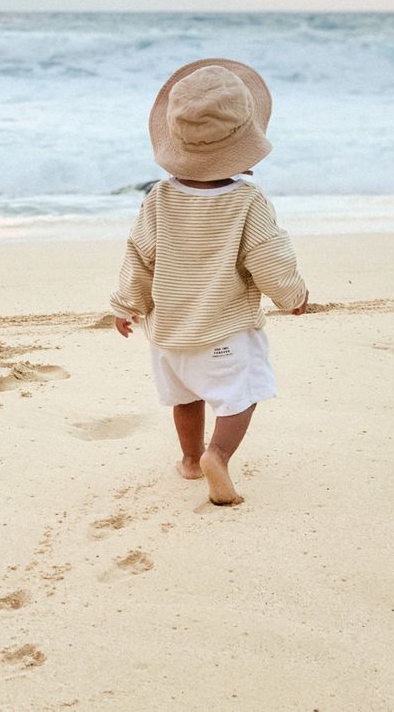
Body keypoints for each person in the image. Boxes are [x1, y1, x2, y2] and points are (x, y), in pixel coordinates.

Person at [110, 59, 308, 506]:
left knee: (185, 396)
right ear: (244, 146)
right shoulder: (247, 200)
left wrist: (126, 304)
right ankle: (217, 455)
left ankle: (189, 459)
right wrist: (292, 296)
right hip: (226, 332)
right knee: (241, 394)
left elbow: (139, 254)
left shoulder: (157, 198)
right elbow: (269, 258)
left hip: (168, 334)